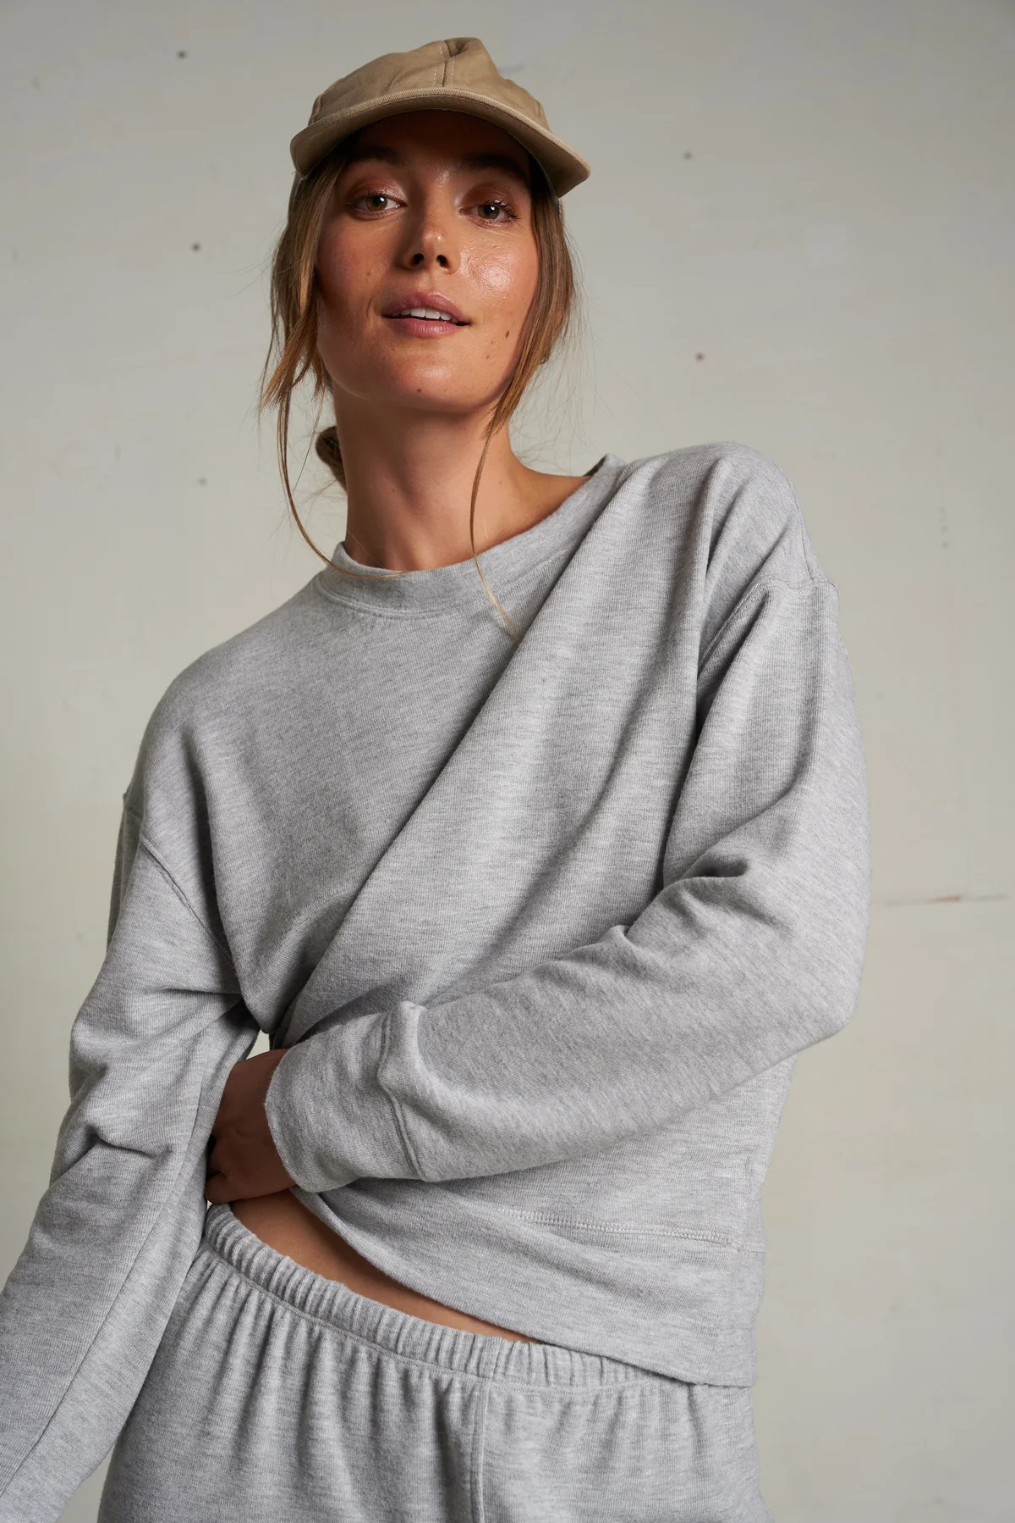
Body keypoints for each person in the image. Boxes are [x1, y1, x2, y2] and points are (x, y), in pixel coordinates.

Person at [0, 36, 871, 1523]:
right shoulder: (220, 716)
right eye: (374, 198)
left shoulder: (702, 537)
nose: (431, 243)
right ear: (306, 277)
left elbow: (773, 954)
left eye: (489, 205)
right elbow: (131, 1152)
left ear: (542, 287)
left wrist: (304, 1112)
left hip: (608, 1419)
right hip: (243, 1400)